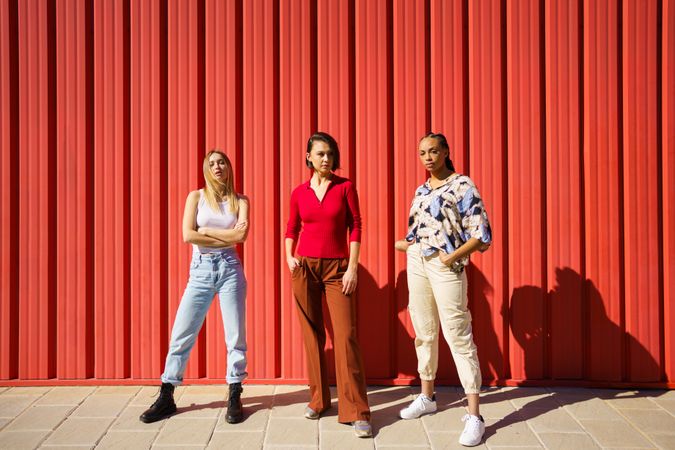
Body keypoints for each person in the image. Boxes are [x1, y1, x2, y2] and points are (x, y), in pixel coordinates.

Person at [394, 133, 492, 447]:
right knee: (423, 331)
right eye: (422, 152)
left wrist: (453, 255)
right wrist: (407, 245)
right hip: (418, 262)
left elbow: (482, 234)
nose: (427, 157)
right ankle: (427, 397)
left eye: (433, 151)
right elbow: (415, 229)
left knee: (457, 333)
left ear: (446, 152)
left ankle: (475, 415)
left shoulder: (463, 185)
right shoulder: (421, 190)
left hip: (446, 266)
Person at [140, 150, 249, 424]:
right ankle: (167, 394)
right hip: (200, 271)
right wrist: (224, 236)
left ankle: (234, 393)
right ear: (206, 169)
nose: (217, 167)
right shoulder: (196, 197)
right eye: (211, 163)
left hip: (230, 270)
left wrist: (206, 232)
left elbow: (241, 236)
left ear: (228, 167)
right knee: (182, 333)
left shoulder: (240, 201)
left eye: (221, 162)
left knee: (235, 336)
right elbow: (188, 235)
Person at [285, 132, 372, 438]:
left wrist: (352, 267)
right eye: (320, 154)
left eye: (330, 154)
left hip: (338, 269)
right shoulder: (299, 192)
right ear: (308, 156)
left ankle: (357, 411)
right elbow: (291, 227)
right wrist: (289, 258)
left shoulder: (345, 187)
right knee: (312, 336)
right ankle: (319, 400)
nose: (326, 159)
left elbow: (356, 225)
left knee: (346, 338)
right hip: (305, 267)